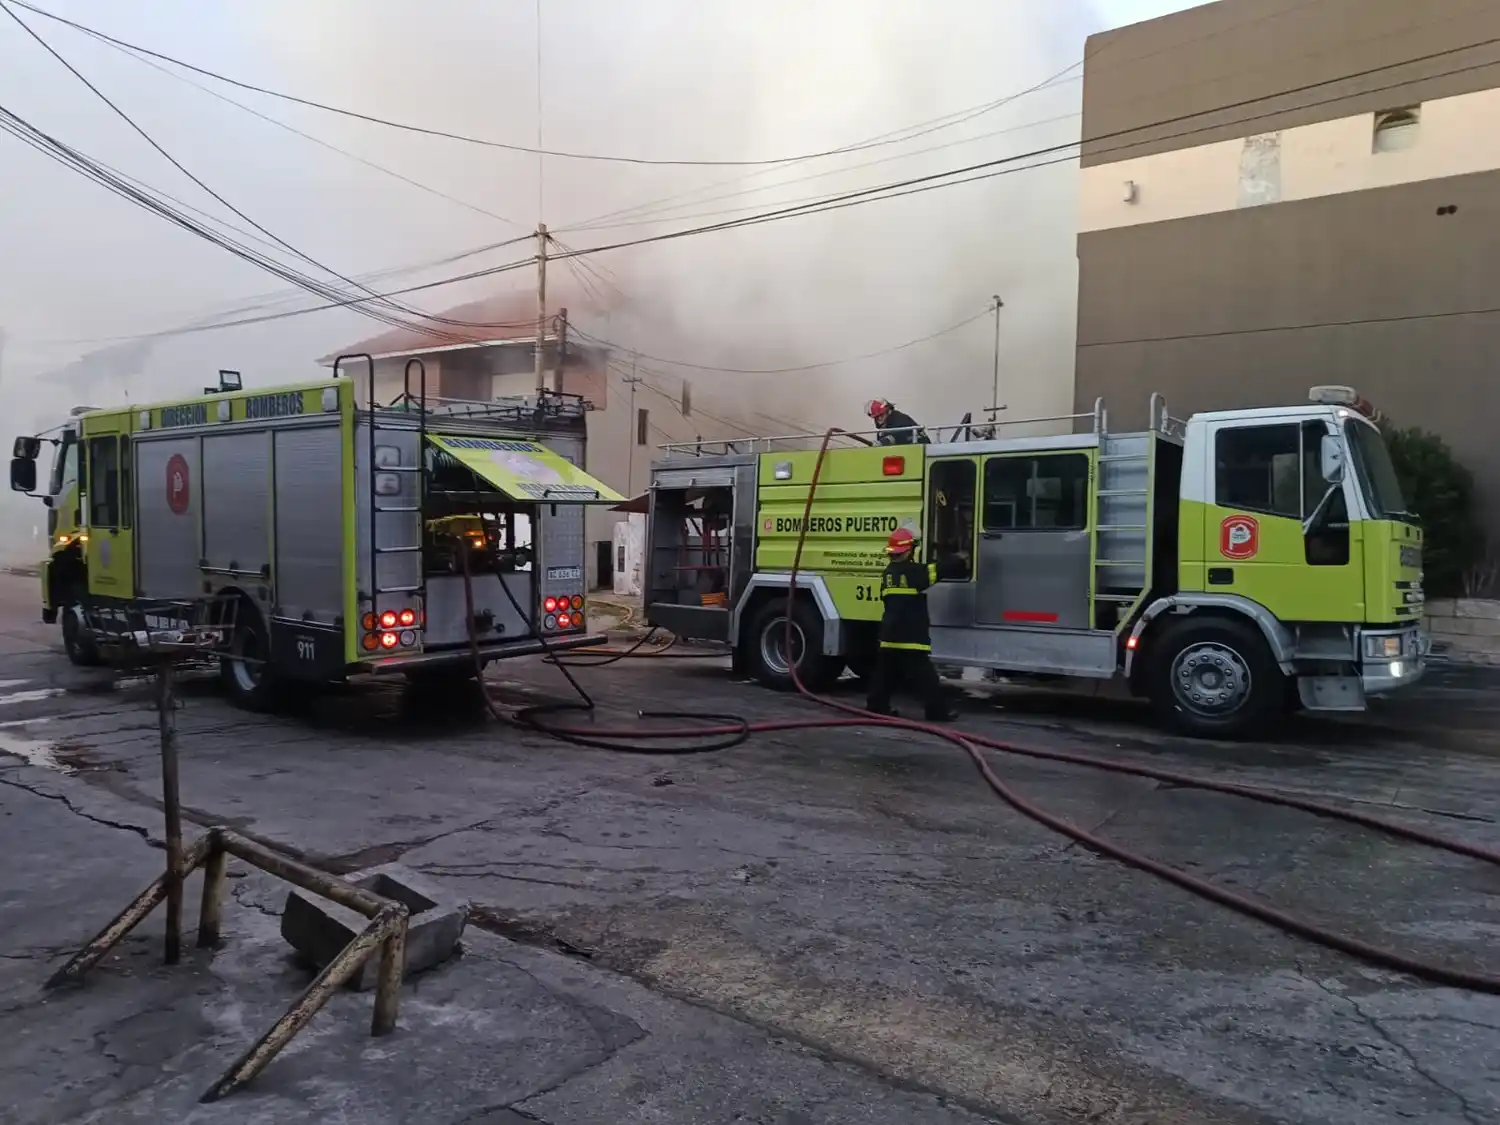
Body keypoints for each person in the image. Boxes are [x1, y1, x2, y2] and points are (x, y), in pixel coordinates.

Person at [865, 527, 956, 721]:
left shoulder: (887, 574)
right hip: (911, 637)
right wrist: (958, 554)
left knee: (884, 676)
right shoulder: (916, 572)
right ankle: (937, 712)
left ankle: (876, 706)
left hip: (889, 636)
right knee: (926, 678)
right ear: (908, 551)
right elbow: (943, 568)